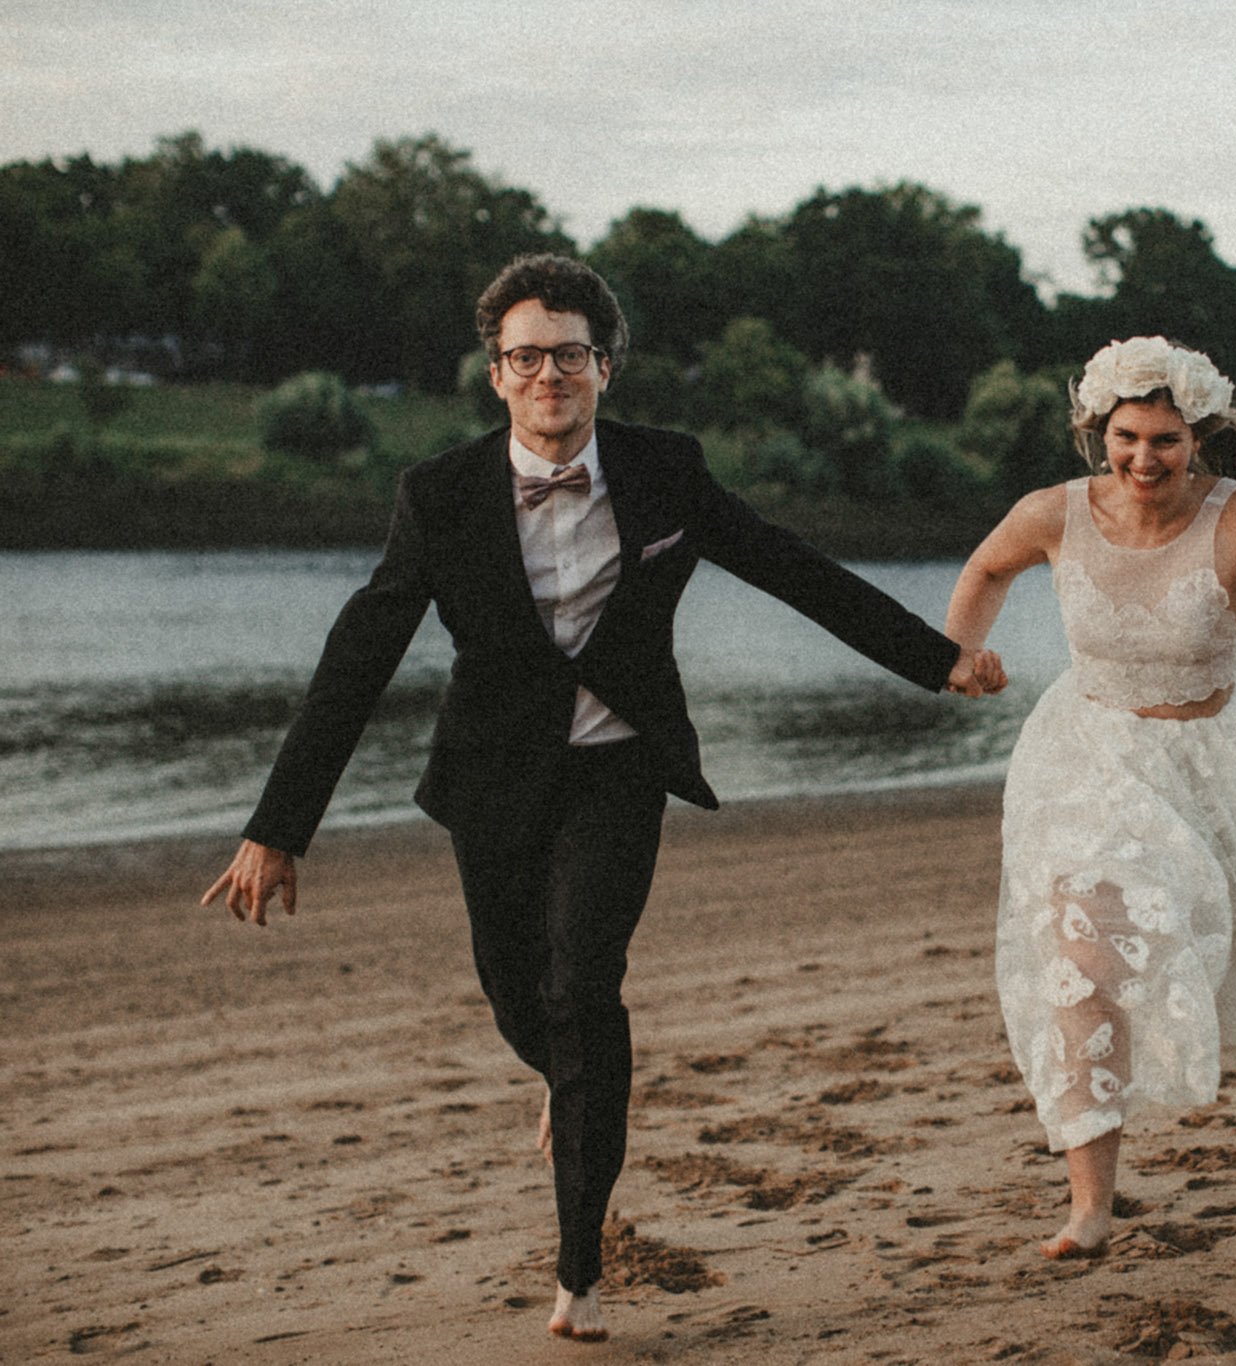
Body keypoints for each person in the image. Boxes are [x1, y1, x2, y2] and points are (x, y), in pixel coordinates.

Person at [202, 253, 1005, 1342]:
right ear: (495, 375)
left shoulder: (666, 471)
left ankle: (579, 1269)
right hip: (490, 780)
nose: (549, 376)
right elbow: (359, 656)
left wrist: (935, 656)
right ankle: (571, 1082)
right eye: (525, 357)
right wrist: (275, 829)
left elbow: (786, 564)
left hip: (619, 770)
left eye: (568, 355)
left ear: (603, 367)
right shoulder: (438, 495)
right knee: (515, 998)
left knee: (584, 985)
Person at [944, 336, 1236, 1258]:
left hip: (1207, 767)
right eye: (1127, 438)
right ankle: (1089, 1206)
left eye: (1165, 441)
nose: (1144, 460)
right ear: (1096, 430)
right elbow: (986, 569)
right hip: (1084, 752)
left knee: (1160, 953)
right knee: (1081, 955)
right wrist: (957, 655)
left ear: (1197, 436)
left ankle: (1119, 1138)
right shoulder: (1053, 513)